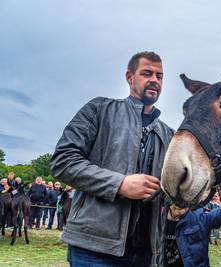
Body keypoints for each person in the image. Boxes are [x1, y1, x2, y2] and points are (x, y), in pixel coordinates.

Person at [50, 51, 173, 267]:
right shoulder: (99, 109)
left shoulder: (170, 134)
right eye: (147, 73)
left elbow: (171, 190)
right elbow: (63, 161)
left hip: (148, 253)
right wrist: (120, 184)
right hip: (94, 249)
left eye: (159, 76)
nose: (154, 79)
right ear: (129, 77)